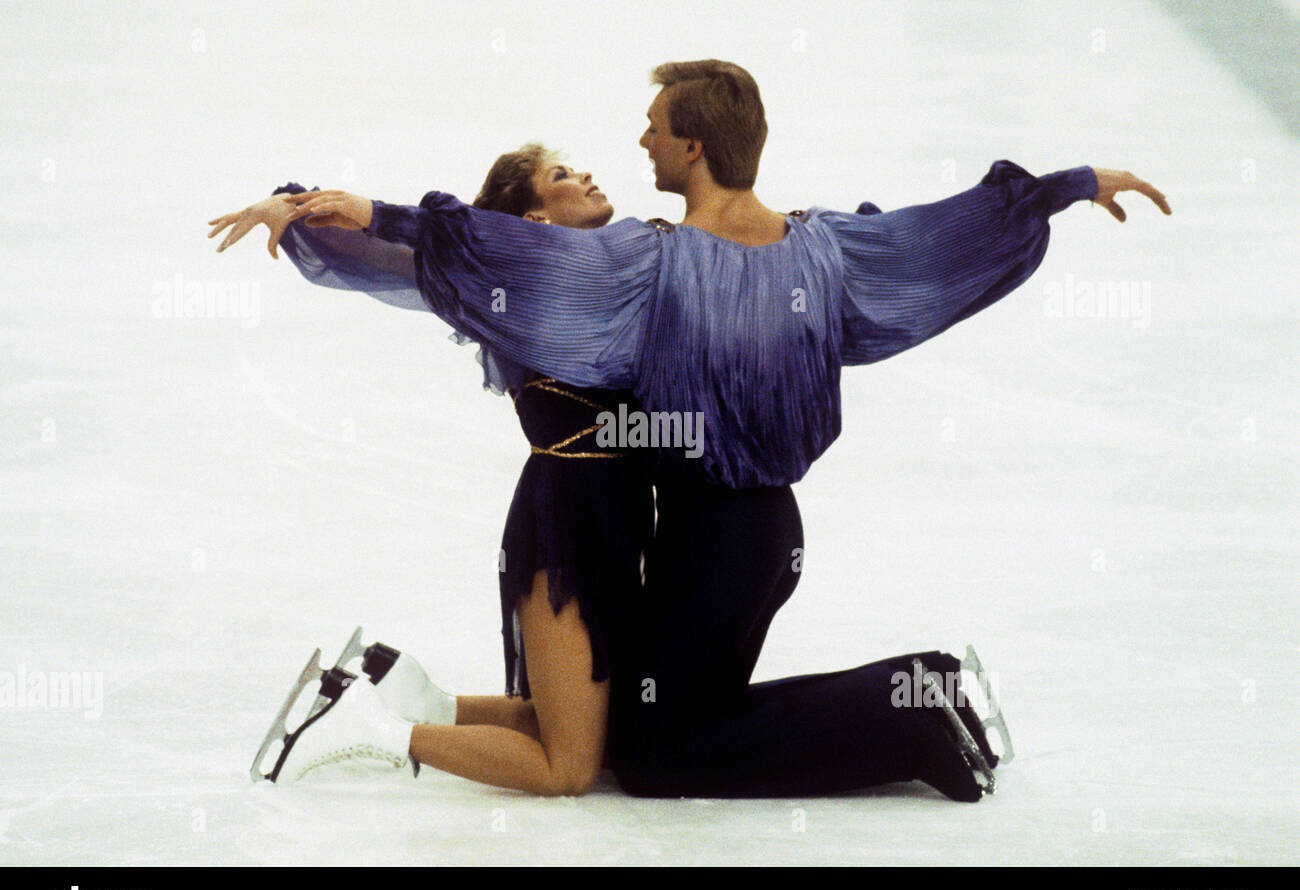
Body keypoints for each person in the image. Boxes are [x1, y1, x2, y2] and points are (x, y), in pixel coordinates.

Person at [212, 59, 1169, 800]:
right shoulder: (826, 248)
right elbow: (937, 238)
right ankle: (408, 698)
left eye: (656, 130)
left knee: (660, 752)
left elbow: (489, 248)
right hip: (729, 531)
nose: (638, 143)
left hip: (714, 534)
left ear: (695, 148)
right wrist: (1067, 184)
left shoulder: (648, 267)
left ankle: (920, 705)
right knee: (638, 728)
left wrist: (363, 209)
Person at [212, 146, 653, 796]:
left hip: (617, 514)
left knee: (580, 724)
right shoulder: (505, 286)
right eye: (561, 176)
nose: (586, 174)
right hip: (566, 521)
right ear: (531, 220)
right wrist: (299, 208)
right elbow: (393, 256)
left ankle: (426, 702)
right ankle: (364, 730)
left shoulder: (620, 267)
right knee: (569, 769)